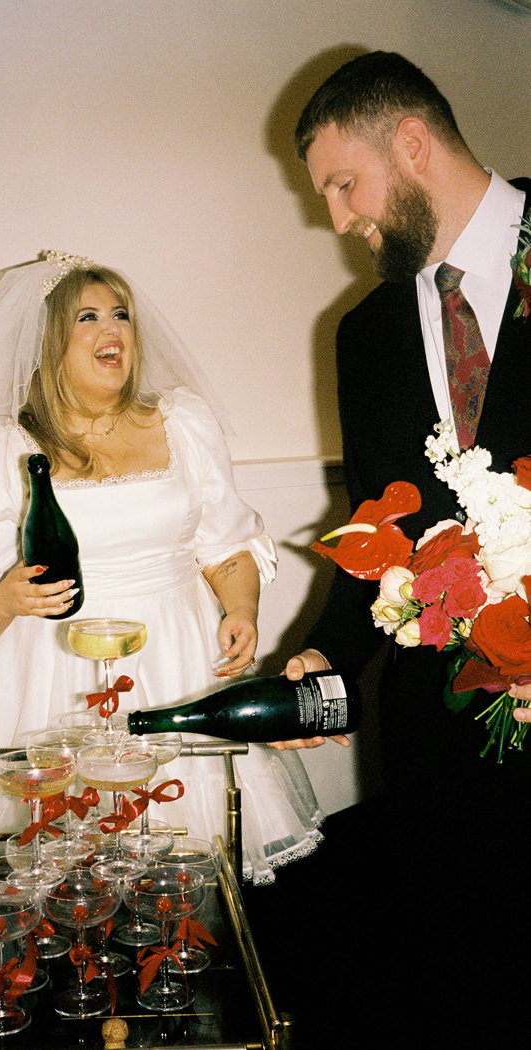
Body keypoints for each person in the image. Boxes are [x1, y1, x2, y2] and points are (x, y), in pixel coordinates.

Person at [271, 51, 531, 1038]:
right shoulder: (362, 333)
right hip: (436, 739)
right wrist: (326, 657)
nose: (334, 218)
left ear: (411, 144)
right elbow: (377, 534)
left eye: (344, 183)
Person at [0, 251, 323, 882]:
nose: (114, 330)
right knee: (64, 883)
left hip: (180, 670)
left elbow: (226, 543)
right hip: (55, 683)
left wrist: (242, 608)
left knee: (188, 871)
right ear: (48, 341)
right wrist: (5, 600)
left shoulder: (182, 421)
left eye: (122, 314)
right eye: (88, 316)